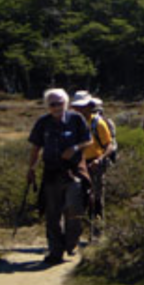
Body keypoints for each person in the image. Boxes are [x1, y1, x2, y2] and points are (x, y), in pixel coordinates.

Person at [27, 88, 92, 264]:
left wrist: (75, 149)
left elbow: (88, 140)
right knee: (52, 214)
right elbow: (36, 147)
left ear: (66, 103)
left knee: (74, 208)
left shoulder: (76, 119)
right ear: (48, 106)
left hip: (73, 172)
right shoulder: (43, 123)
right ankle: (55, 251)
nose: (56, 107)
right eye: (52, 104)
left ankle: (71, 243)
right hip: (51, 173)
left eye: (59, 103)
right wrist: (31, 168)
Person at [70, 91, 113, 236]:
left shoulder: (98, 123)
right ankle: (77, 233)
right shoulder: (72, 123)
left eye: (82, 107)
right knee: (78, 199)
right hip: (77, 164)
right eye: (77, 107)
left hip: (95, 163)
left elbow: (109, 145)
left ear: (89, 106)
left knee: (96, 198)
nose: (79, 110)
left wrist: (99, 159)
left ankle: (98, 232)